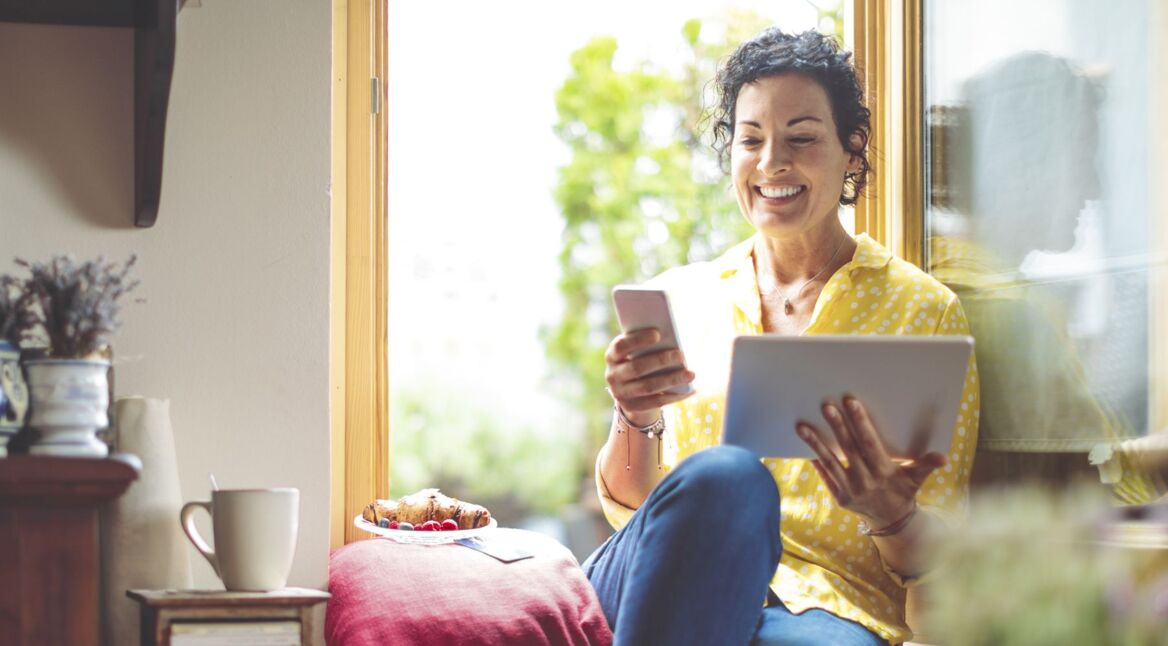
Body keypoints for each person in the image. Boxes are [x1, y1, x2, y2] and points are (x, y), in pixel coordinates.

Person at [581, 28, 980, 646]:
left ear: (852, 150)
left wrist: (891, 513)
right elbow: (630, 508)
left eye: (801, 138)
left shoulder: (921, 312)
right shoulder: (682, 299)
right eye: (751, 140)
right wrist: (635, 416)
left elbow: (943, 560)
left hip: (823, 614)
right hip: (660, 581)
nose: (772, 163)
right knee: (728, 479)